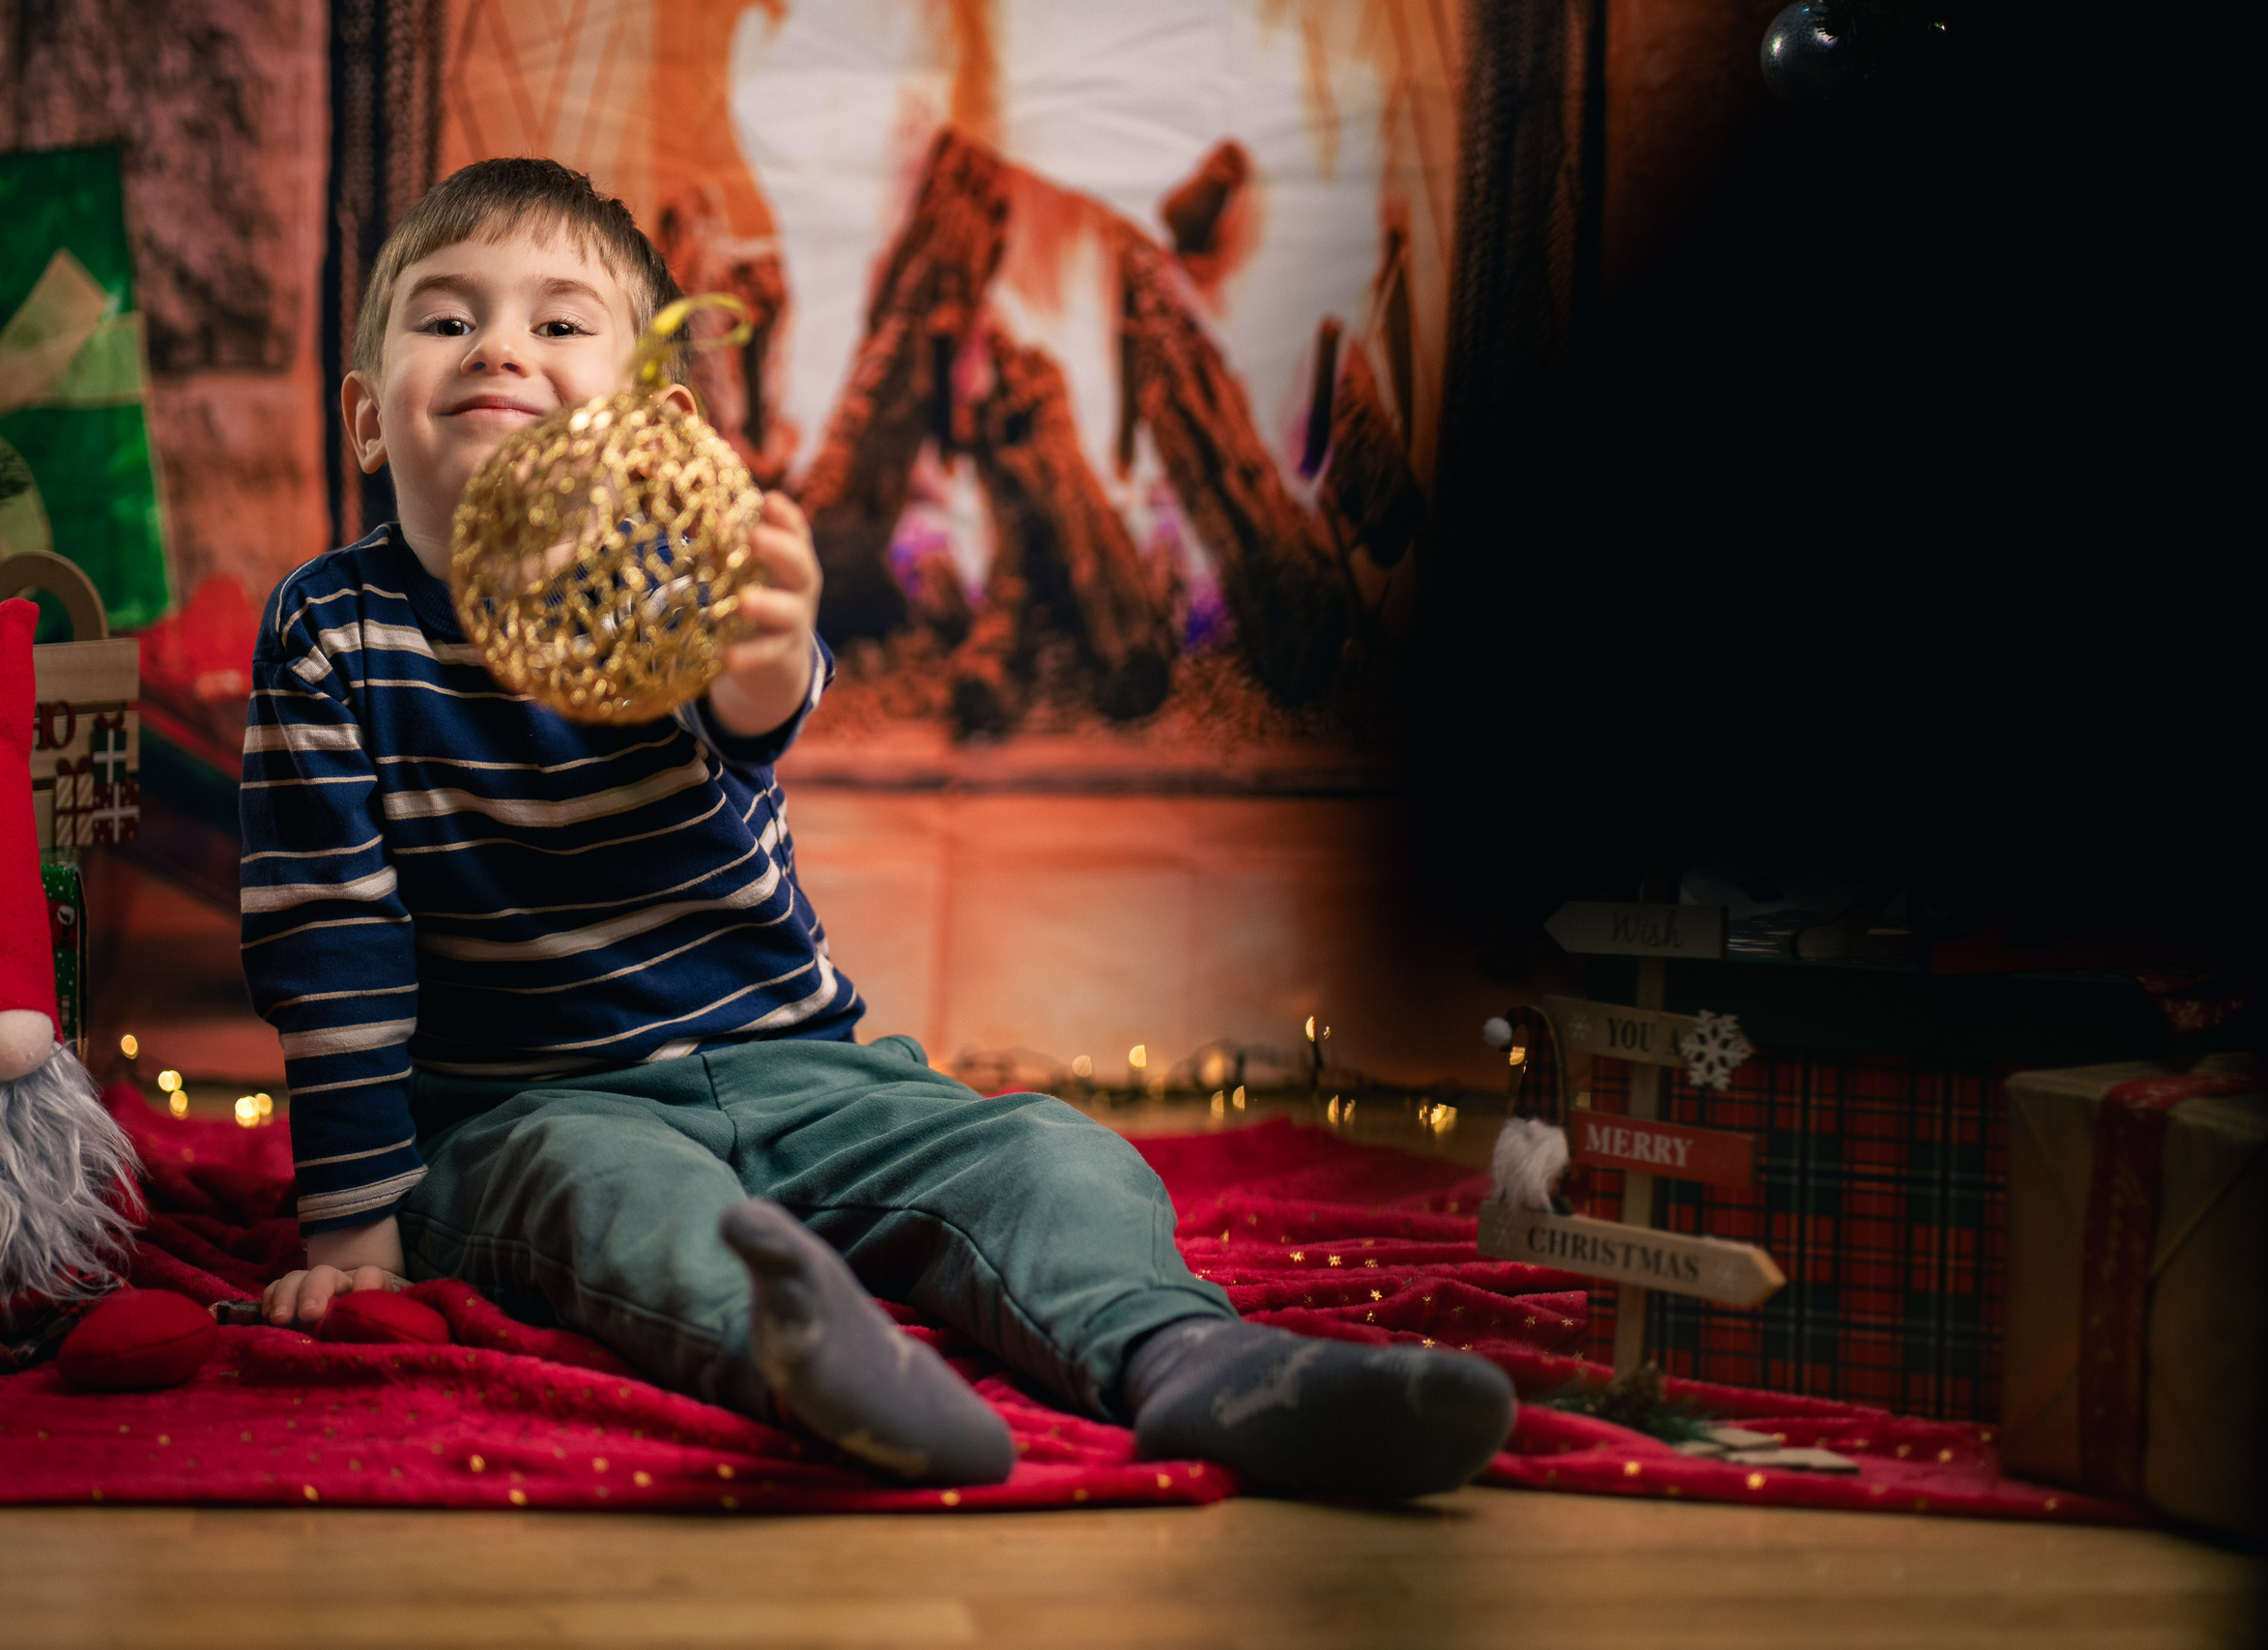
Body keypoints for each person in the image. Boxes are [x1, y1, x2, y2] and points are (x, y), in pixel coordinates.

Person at [240, 157, 1513, 1495]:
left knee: (1043, 1149)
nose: (500, 344)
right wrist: (355, 1231)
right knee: (610, 1197)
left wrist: (766, 646)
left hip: (799, 1071)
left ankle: (1185, 1357)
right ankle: (809, 1358)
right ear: (370, 418)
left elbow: (751, 719)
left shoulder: (684, 577)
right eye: (447, 319)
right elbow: (332, 945)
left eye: (559, 324)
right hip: (523, 1108)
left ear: (658, 424)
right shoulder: (331, 629)